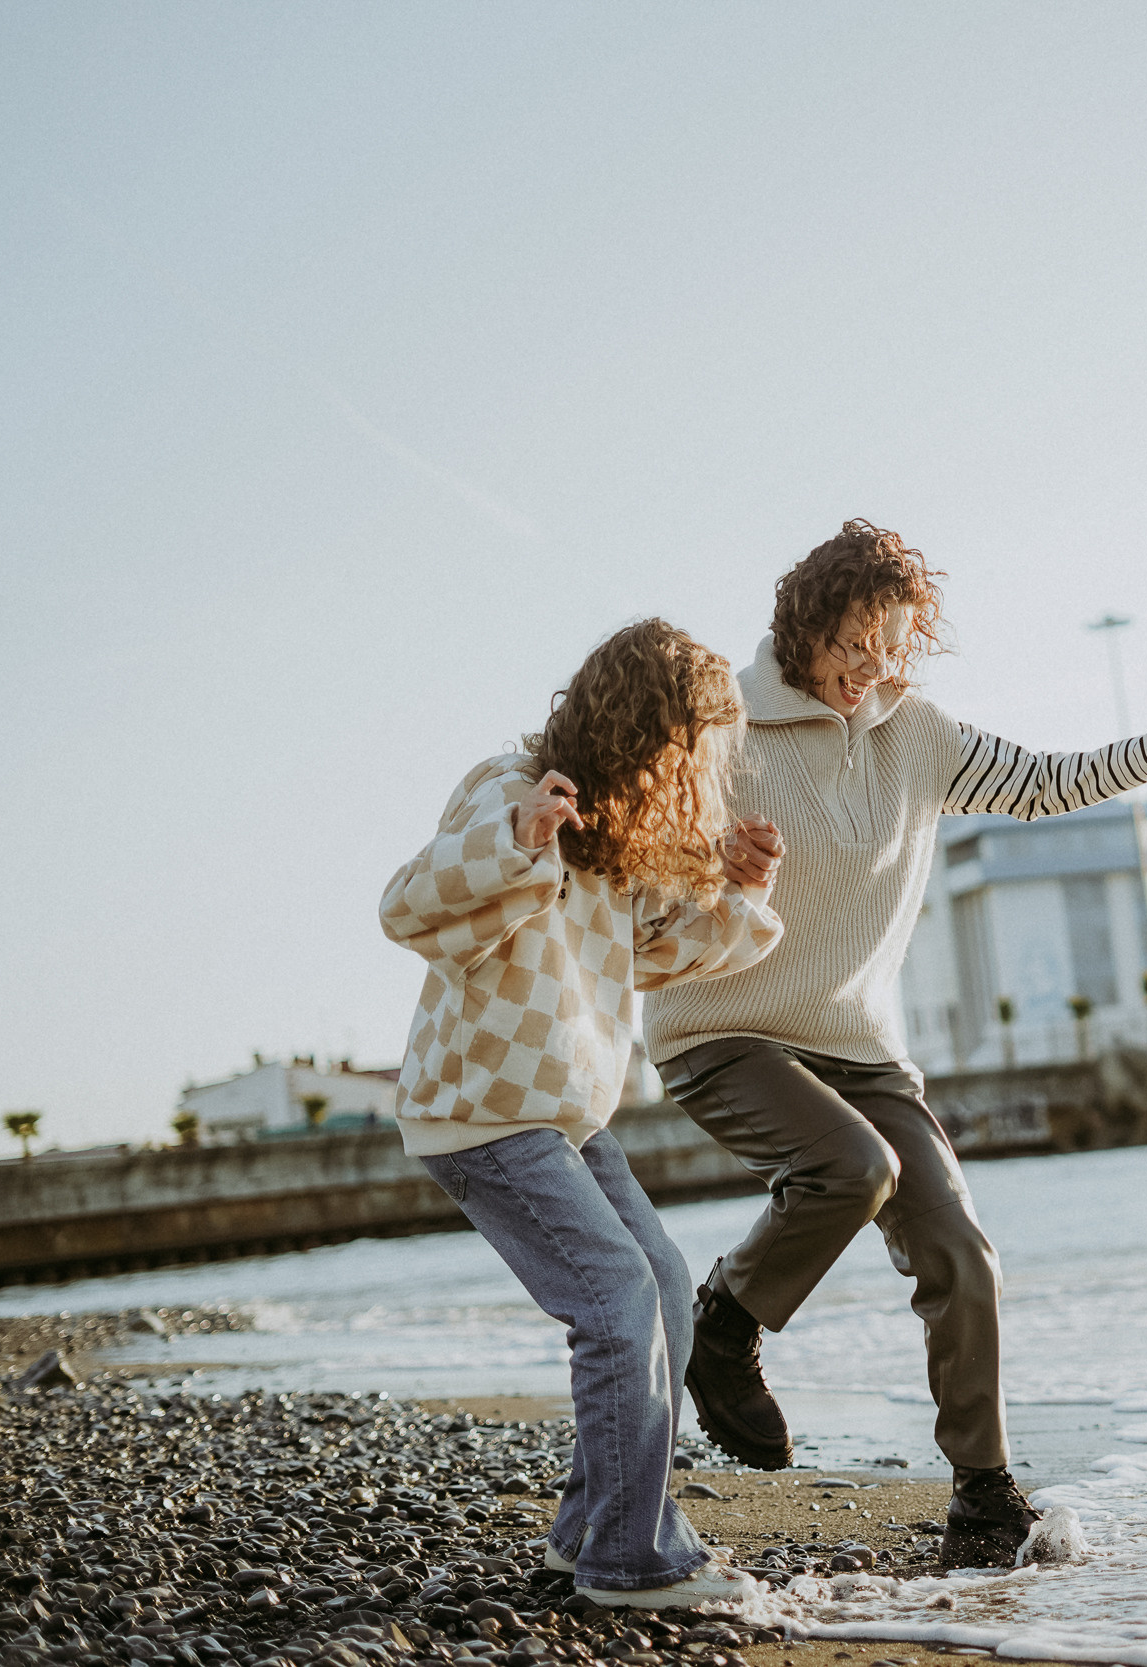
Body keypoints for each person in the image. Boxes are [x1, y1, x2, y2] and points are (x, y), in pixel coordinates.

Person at [645, 519, 1147, 1566]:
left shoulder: (918, 733)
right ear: (805, 626)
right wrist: (715, 855)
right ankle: (723, 1322)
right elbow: (644, 844)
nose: (874, 670)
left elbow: (1041, 781)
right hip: (720, 1024)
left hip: (857, 1043)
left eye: (894, 648)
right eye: (855, 647)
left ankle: (985, 1492)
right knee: (852, 1165)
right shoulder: (721, 725)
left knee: (958, 1245)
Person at [380, 618, 791, 1610]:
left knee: (661, 1276)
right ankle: (630, 1558)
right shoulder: (510, 788)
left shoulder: (615, 837)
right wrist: (517, 839)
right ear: (644, 726)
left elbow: (652, 956)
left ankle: (588, 1531)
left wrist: (739, 893)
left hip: (559, 1116)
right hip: (481, 1109)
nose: (698, 770)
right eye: (690, 748)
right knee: (615, 1301)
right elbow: (407, 906)